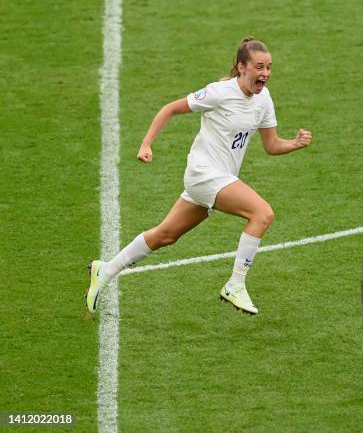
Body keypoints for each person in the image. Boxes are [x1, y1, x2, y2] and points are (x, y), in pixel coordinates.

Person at [86, 37, 312, 315]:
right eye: (259, 67)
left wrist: (295, 143)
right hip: (204, 174)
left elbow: (272, 145)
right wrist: (146, 144)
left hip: (217, 179)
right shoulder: (218, 93)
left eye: (269, 68)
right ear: (241, 67)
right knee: (262, 213)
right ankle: (235, 285)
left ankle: (105, 269)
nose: (265, 73)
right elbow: (170, 109)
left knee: (165, 235)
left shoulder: (263, 99)